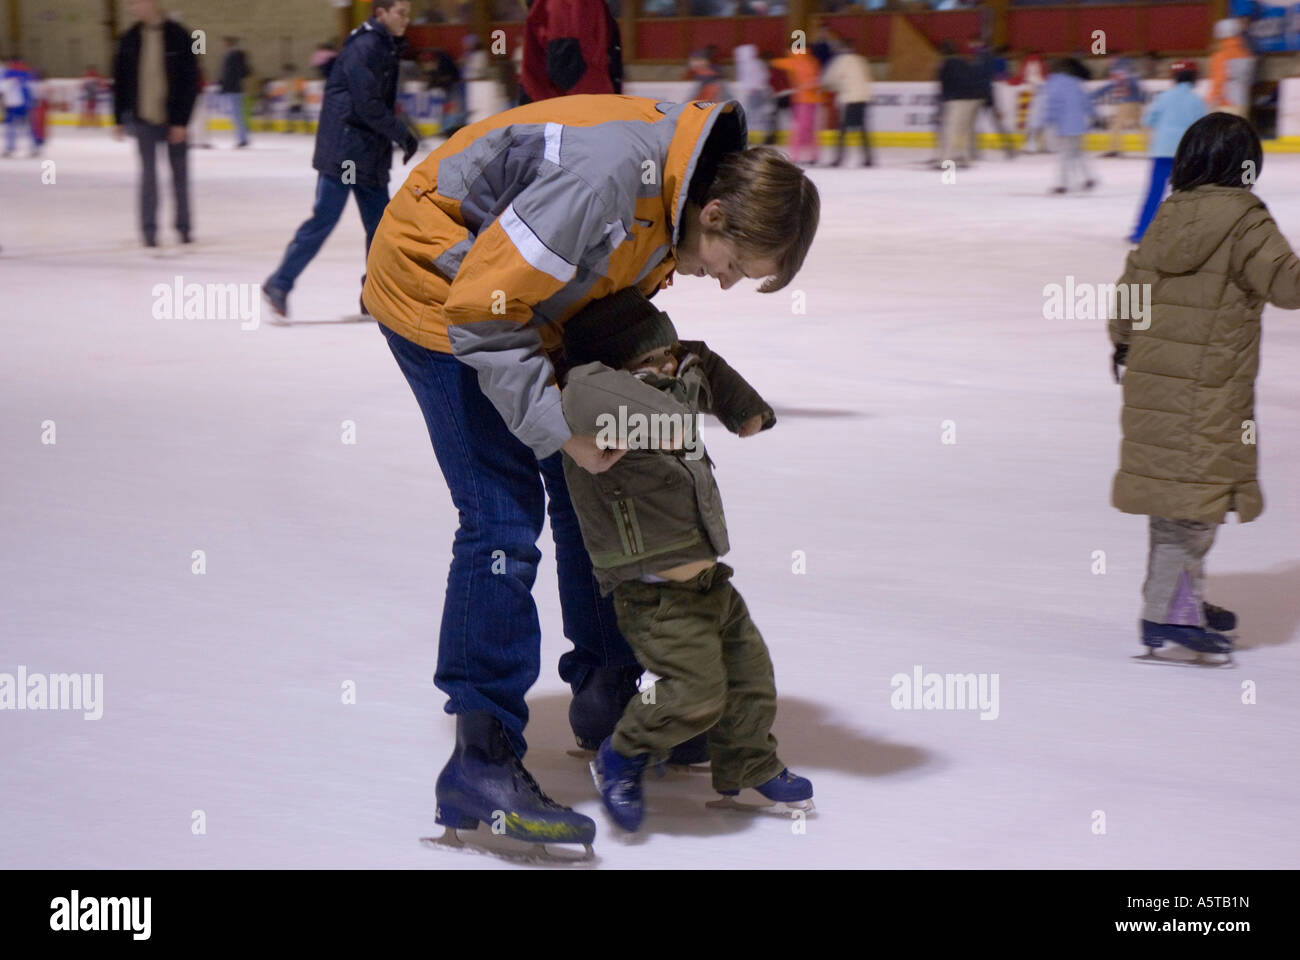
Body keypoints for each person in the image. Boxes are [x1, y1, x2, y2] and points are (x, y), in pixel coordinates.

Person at [362, 98, 819, 852]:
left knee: (590, 488)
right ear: (714, 215)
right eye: (736, 267)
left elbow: (595, 291)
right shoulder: (604, 185)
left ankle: (610, 695)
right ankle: (480, 757)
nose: (728, 284)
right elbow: (483, 309)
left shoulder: (670, 196)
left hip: (523, 306)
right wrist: (555, 426)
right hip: (438, 289)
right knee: (501, 519)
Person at [560, 287, 815, 831]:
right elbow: (669, 414)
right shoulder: (587, 393)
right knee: (696, 691)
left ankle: (749, 761)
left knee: (751, 675)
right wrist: (680, 378)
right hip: (655, 596)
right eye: (656, 359)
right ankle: (621, 754)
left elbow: (700, 362)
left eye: (672, 355)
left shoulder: (667, 376)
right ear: (619, 364)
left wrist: (742, 406)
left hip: (708, 582)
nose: (673, 365)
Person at [1108, 113, 1297, 661]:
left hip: (1152, 382)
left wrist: (1123, 345)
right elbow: (1287, 285)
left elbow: (1131, 290)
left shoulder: (1169, 216)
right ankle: (1169, 611)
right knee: (1192, 508)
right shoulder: (1245, 220)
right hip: (1208, 388)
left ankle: (1176, 597)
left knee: (1174, 502)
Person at [262, 0, 419, 320]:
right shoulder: (366, 47)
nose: (406, 19)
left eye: (408, 13)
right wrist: (402, 134)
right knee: (325, 219)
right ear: (381, 14)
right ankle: (279, 283)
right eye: (400, 13)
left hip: (367, 152)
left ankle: (372, 295)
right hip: (346, 153)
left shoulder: (384, 45)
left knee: (382, 229)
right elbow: (367, 104)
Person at [112, 0, 200, 247]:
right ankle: (149, 230)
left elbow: (190, 82)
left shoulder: (180, 36)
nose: (131, 8)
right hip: (143, 120)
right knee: (148, 177)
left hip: (174, 120)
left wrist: (181, 121)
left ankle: (183, 227)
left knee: (179, 176)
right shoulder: (128, 39)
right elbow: (120, 81)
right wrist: (118, 118)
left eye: (134, 2)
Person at [1127, 61, 1205, 244]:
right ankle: (1187, 235)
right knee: (1187, 195)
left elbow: (1148, 120)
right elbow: (1203, 127)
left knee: (1154, 193)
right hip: (1185, 154)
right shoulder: (1197, 100)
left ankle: (1141, 232)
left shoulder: (1164, 97)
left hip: (1162, 151)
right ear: (1194, 78)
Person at [519, 0, 622, 103]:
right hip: (565, 105)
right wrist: (596, 105)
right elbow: (565, 63)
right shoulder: (571, 3)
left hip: (552, 100)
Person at [1038, 58, 1096, 194]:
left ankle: (1062, 185)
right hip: (1079, 125)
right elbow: (1086, 101)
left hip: (1065, 126)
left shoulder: (1053, 84)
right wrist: (1093, 115)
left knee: (1065, 155)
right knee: (1078, 152)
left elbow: (1053, 105)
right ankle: (1088, 178)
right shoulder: (1075, 83)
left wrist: (1047, 121)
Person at [819, 35, 874, 166]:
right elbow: (868, 77)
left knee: (842, 130)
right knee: (861, 129)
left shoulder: (841, 61)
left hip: (850, 98)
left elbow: (829, 80)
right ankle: (868, 158)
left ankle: (839, 158)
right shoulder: (860, 60)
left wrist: (824, 86)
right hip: (863, 98)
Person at [771, 48, 821, 164]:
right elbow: (816, 79)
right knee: (810, 130)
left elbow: (780, 63)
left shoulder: (796, 62)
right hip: (812, 101)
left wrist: (772, 61)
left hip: (802, 101)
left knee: (799, 130)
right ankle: (814, 155)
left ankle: (796, 156)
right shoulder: (812, 61)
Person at [936, 41, 980, 168]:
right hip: (970, 100)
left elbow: (943, 86)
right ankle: (965, 157)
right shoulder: (964, 62)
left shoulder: (945, 65)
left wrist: (942, 107)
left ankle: (945, 160)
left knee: (950, 130)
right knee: (964, 130)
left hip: (955, 101)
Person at [1097, 53, 1144, 158]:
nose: (1108, 62)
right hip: (1134, 102)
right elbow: (1136, 84)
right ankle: (1151, 148)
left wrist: (1096, 94)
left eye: (1109, 59)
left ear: (1113, 58)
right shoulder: (1127, 67)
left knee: (1116, 125)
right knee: (1140, 126)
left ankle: (1113, 149)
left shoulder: (1118, 70)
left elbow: (1111, 85)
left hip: (1126, 102)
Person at [1209, 18, 1255, 119]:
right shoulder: (1246, 54)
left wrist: (1211, 101)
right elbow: (1250, 80)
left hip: (1225, 103)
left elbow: (1219, 79)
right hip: (1243, 101)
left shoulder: (1221, 56)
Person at [219, 37, 251, 148]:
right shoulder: (236, 55)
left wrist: (225, 86)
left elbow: (230, 73)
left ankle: (242, 138)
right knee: (237, 114)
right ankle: (242, 137)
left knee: (237, 115)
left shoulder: (233, 56)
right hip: (236, 88)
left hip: (234, 88)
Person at [2, 56, 36, 158]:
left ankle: (11, 147)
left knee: (13, 127)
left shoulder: (9, 74)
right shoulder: (27, 74)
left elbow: (4, 89)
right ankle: (33, 147)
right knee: (25, 127)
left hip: (15, 105)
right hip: (22, 105)